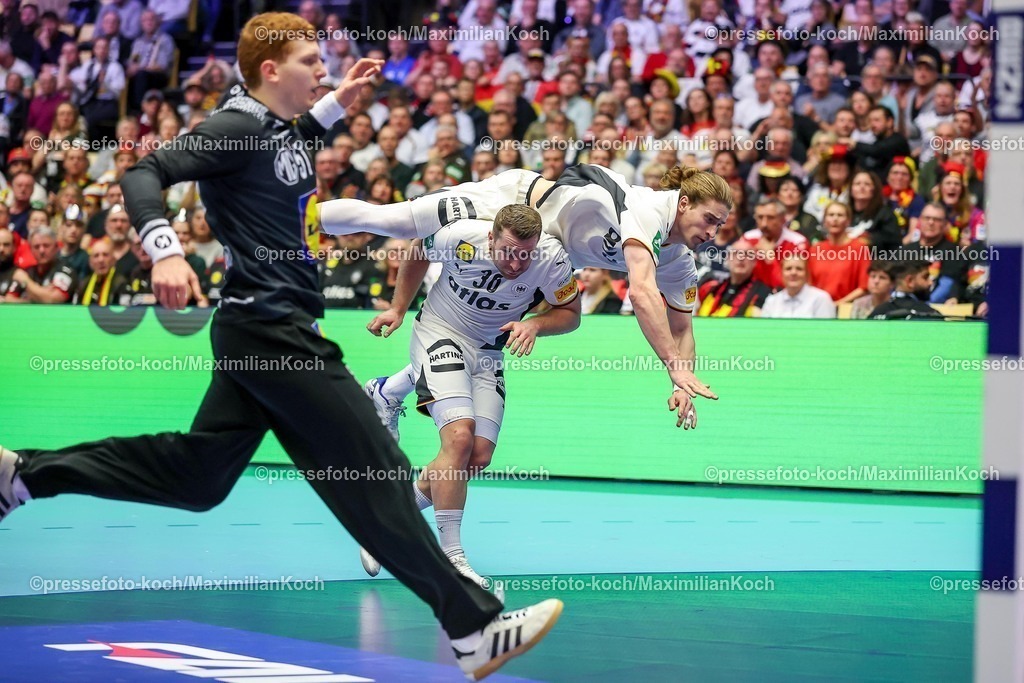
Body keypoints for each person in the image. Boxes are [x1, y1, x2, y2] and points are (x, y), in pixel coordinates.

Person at [0, 15, 562, 681]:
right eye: (309, 61)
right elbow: (145, 173)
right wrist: (165, 250)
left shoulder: (278, 130)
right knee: (374, 471)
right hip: (274, 328)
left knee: (200, 477)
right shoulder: (235, 125)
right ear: (270, 71)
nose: (322, 68)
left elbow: (282, 150)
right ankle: (472, 627)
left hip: (260, 330)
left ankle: (22, 474)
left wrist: (334, 105)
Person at [319, 163, 733, 430]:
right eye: (709, 219)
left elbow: (682, 326)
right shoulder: (648, 212)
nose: (713, 232)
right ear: (683, 204)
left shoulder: (679, 262)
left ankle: (387, 391)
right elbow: (643, 295)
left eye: (721, 225)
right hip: (513, 201)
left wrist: (683, 383)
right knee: (398, 220)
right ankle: (283, 217)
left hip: (543, 251)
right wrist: (676, 369)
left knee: (479, 337)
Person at [359, 205, 581, 590]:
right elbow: (416, 251)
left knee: (475, 457)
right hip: (439, 331)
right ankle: (452, 559)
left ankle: (383, 524)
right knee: (458, 438)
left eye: (524, 254)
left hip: (488, 351)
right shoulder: (459, 236)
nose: (515, 264)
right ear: (491, 237)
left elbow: (571, 313)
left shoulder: (551, 260)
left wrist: (535, 325)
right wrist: (398, 308)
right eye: (508, 251)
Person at [760, 256, 837, 318]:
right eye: (788, 269)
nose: (793, 273)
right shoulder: (772, 301)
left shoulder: (821, 299)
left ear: (807, 274)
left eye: (799, 269)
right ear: (781, 273)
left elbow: (826, 333)